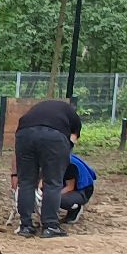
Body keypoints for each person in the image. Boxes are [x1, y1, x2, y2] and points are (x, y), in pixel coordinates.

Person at [12, 97, 83, 238]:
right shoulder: (73, 117)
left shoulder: (36, 110)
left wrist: (14, 174)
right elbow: (72, 139)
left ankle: (25, 226)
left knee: (26, 182)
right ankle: (50, 226)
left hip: (24, 135)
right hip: (54, 138)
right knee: (53, 182)